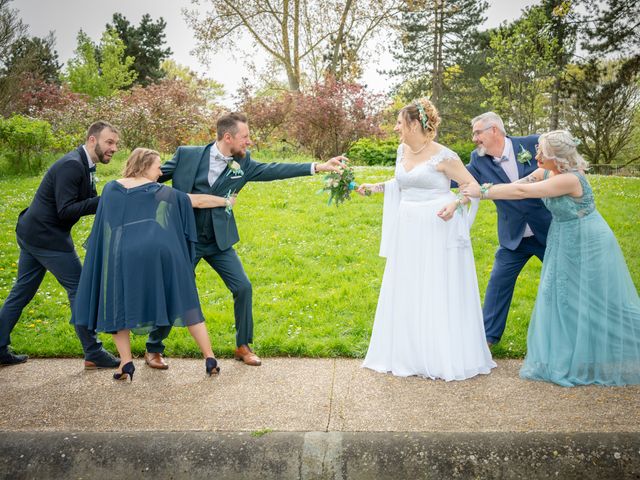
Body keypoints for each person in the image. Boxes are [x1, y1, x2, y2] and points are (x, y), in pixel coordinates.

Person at [144, 112, 344, 368]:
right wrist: (131, 185)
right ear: (228, 137)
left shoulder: (244, 163)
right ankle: (154, 348)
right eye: (245, 137)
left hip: (219, 240)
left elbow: (275, 170)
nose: (249, 142)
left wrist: (317, 167)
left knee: (243, 287)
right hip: (185, 238)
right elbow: (155, 176)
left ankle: (243, 345)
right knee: (174, 289)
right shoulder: (187, 155)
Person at [462, 130, 640, 386]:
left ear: (556, 156)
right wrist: (482, 188)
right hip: (563, 238)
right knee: (564, 297)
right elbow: (518, 184)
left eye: (540, 151)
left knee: (603, 300)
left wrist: (484, 193)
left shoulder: (570, 179)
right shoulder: (547, 172)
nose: (535, 155)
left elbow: (524, 193)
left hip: (587, 241)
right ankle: (570, 355)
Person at [355, 98, 496, 381]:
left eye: (399, 122)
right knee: (409, 285)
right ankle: (409, 353)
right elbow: (404, 182)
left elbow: (472, 187)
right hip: (408, 228)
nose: (396, 128)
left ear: (415, 124)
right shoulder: (402, 150)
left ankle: (439, 353)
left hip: (436, 227)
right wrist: (376, 187)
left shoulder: (445, 156)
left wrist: (456, 204)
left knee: (434, 286)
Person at [72, 148, 228, 380]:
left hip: (123, 254)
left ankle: (125, 363)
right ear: (144, 166)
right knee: (185, 299)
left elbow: (110, 225)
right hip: (160, 249)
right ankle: (209, 357)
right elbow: (193, 201)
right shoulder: (159, 191)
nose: (160, 172)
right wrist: (225, 200)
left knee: (118, 305)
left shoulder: (111, 188)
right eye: (158, 167)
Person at [0, 121, 120, 369]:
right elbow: (65, 210)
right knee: (80, 287)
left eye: (116, 143)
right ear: (92, 140)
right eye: (109, 142)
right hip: (47, 237)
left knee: (22, 290)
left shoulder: (85, 165)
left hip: (34, 232)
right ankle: (93, 351)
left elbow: (86, 201)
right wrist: (104, 199)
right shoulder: (72, 165)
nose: (114, 148)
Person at [464, 112, 552, 347]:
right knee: (498, 282)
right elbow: (461, 178)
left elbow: (562, 166)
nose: (474, 138)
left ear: (494, 130)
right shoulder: (478, 159)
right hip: (513, 237)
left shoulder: (534, 144)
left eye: (477, 132)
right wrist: (429, 169)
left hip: (549, 232)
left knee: (566, 282)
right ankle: (487, 339)